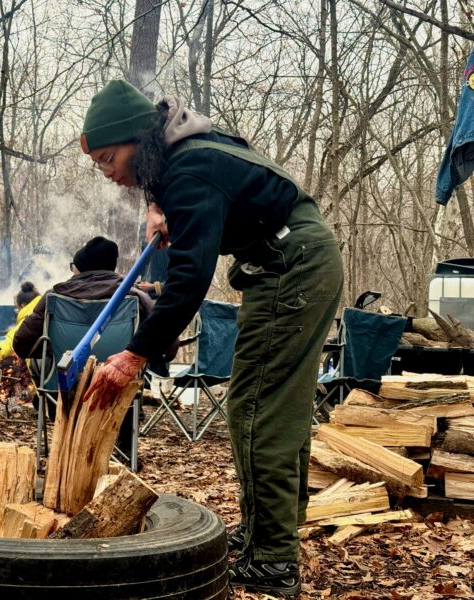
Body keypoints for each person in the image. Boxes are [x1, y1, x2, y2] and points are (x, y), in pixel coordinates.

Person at [78, 80, 343, 597]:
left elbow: (190, 280)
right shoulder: (182, 152)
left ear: (139, 140)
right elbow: (178, 174)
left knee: (257, 410)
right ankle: (267, 537)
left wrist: (135, 354)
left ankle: (273, 561)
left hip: (293, 267)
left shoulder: (190, 169)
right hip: (290, 262)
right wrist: (159, 204)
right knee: (266, 407)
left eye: (110, 159)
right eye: (100, 166)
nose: (110, 175)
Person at [13, 235, 167, 459]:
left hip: (64, 384)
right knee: (128, 375)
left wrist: (52, 351)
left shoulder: (54, 296)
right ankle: (123, 452)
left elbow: (21, 344)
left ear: (80, 268)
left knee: (46, 365)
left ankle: (63, 441)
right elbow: (167, 344)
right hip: (117, 382)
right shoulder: (135, 297)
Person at [0, 281, 41, 365]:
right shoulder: (44, 310)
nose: (18, 312)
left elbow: (11, 340)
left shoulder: (31, 319)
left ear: (22, 306)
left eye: (17, 308)